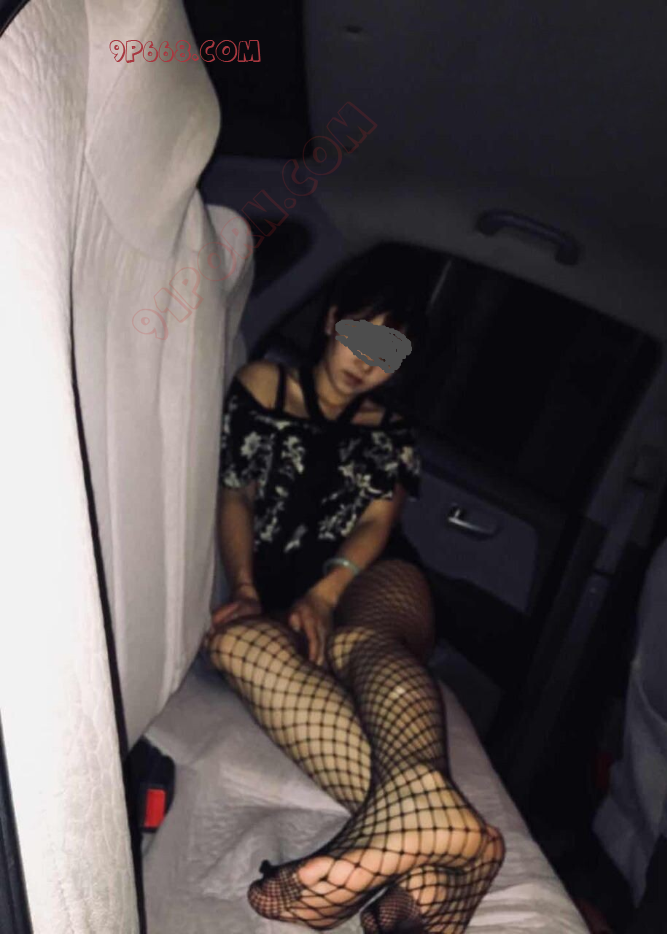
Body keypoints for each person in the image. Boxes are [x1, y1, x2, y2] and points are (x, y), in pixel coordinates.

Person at [203, 251, 505, 933]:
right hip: (279, 591)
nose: (367, 362)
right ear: (333, 320)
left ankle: (412, 821)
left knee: (363, 640)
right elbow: (236, 493)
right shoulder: (265, 385)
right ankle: (432, 832)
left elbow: (376, 524)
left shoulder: (389, 432)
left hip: (371, 577)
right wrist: (246, 588)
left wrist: (326, 595)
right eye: (362, 335)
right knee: (235, 644)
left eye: (388, 352)